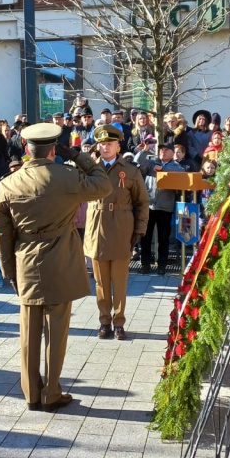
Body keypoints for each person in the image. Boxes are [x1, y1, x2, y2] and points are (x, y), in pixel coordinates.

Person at [0, 123, 111, 411]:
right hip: (60, 261)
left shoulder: (9, 183)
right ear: (53, 149)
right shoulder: (68, 177)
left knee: (29, 332)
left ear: (26, 148)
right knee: (56, 331)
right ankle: (52, 393)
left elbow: (2, 233)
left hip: (26, 262)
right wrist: (78, 157)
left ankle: (31, 394)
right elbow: (104, 185)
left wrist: (9, 270)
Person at [84, 124, 150, 340]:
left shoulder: (130, 171)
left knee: (120, 280)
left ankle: (119, 322)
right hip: (97, 228)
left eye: (109, 144)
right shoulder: (90, 170)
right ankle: (104, 321)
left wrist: (139, 230)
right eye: (102, 144)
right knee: (101, 281)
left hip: (122, 229)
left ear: (118, 146)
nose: (105, 148)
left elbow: (142, 202)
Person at [139, 141, 182, 275]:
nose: (162, 151)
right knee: (145, 237)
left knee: (164, 238)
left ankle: (162, 266)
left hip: (165, 208)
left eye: (166, 150)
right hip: (149, 205)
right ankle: (145, 265)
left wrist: (163, 170)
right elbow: (137, 164)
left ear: (172, 153)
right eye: (161, 150)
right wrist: (144, 150)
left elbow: (180, 174)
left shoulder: (176, 166)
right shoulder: (151, 163)